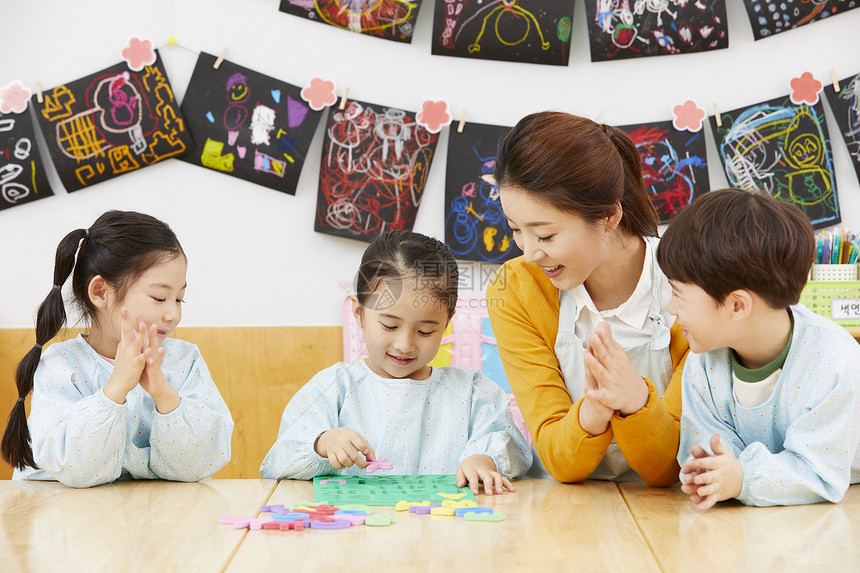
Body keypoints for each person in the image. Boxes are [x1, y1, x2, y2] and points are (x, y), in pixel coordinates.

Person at [486, 111, 689, 484]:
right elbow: (557, 458)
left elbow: (670, 466)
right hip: (565, 509)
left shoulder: (690, 279)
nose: (529, 252)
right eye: (516, 230)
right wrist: (594, 410)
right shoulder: (515, 288)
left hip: (672, 510)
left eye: (545, 236)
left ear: (610, 217)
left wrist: (634, 402)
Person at [260, 230, 531, 494]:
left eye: (425, 331)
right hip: (354, 533)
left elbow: (514, 448)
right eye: (389, 326)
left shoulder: (472, 391)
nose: (405, 345)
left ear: (446, 323)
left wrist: (485, 460)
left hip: (447, 532)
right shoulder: (334, 387)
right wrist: (322, 442)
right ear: (360, 314)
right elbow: (278, 461)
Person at [657, 189, 860, 509]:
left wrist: (743, 477)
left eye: (678, 294)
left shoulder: (833, 360)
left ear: (737, 305)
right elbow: (705, 449)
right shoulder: (703, 359)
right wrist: (717, 472)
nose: (671, 308)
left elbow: (819, 473)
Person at [1, 210, 234, 488]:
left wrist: (164, 394)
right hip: (68, 518)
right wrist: (117, 387)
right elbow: (77, 472)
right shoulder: (61, 366)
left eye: (179, 299)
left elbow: (200, 464)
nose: (172, 314)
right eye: (160, 297)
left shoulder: (184, 361)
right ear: (100, 292)